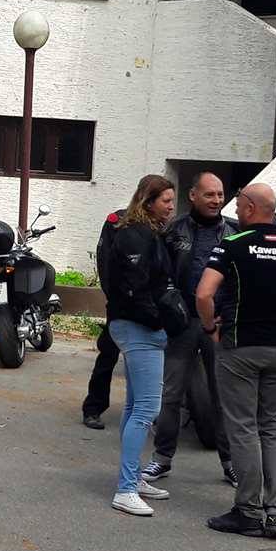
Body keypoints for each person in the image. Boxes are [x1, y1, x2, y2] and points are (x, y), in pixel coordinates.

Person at [195, 183, 276, 538]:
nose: (234, 209)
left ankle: (248, 511)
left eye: (238, 204)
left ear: (249, 208)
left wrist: (210, 328)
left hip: (240, 347)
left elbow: (203, 294)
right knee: (273, 428)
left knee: (243, 428)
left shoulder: (232, 244)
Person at [140, 172, 237, 487]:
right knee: (170, 394)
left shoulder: (235, 232)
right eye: (209, 194)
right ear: (193, 195)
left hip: (218, 324)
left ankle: (230, 463)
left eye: (220, 194)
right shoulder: (172, 230)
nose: (216, 200)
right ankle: (161, 459)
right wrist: (166, 312)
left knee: (222, 395)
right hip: (180, 324)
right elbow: (157, 275)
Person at [103, 174, 178, 517]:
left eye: (172, 200)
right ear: (148, 201)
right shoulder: (136, 234)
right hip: (139, 327)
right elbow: (135, 287)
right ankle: (126, 488)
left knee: (137, 406)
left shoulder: (144, 232)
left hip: (135, 324)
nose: (171, 207)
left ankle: (132, 478)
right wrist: (158, 321)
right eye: (166, 200)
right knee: (147, 409)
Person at [81, 209, 125, 430]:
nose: (170, 207)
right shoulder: (119, 221)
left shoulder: (170, 227)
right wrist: (114, 296)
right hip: (122, 305)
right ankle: (93, 407)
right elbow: (105, 261)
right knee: (108, 354)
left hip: (156, 309)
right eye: (165, 200)